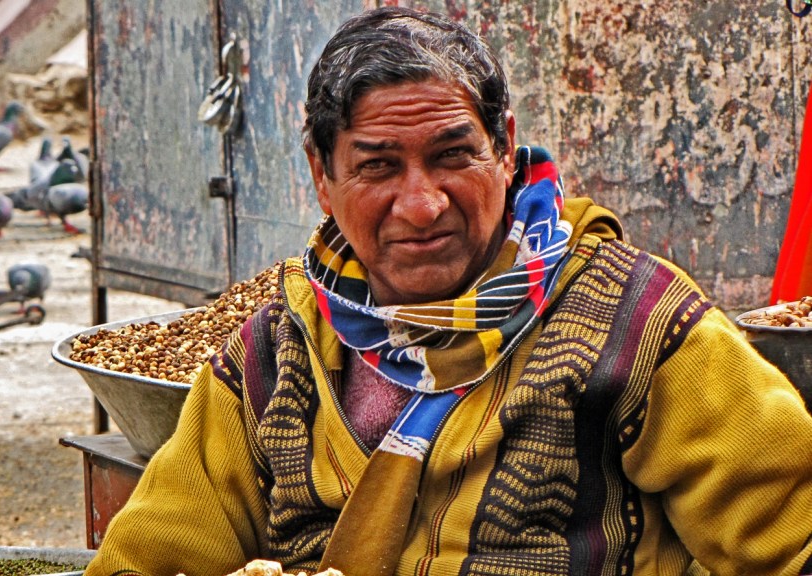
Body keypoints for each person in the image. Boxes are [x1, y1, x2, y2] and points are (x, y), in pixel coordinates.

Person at [84, 7, 812, 576]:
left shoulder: (637, 320)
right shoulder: (278, 351)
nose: (423, 203)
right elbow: (149, 554)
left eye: (452, 155)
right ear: (321, 176)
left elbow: (792, 536)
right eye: (377, 167)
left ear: (504, 148)